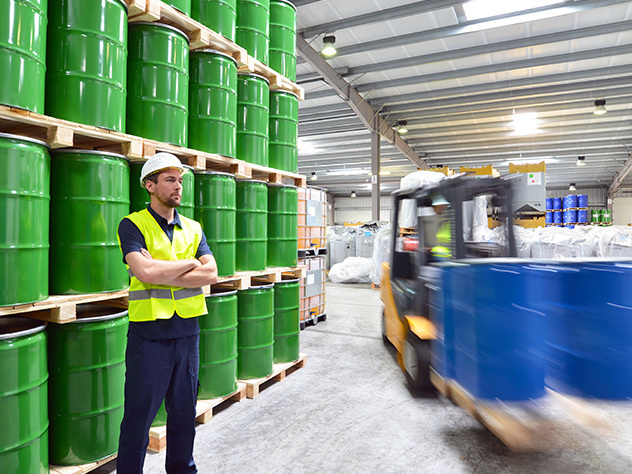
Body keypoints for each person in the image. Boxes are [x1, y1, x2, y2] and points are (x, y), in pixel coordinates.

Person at [116, 152, 218, 474]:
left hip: (188, 335)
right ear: (150, 185)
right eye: (170, 180)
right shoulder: (132, 224)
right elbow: (144, 271)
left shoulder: (193, 228)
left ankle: (182, 469)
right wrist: (190, 263)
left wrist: (167, 269)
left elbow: (212, 273)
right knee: (138, 417)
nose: (178, 187)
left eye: (180, 180)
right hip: (150, 337)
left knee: (184, 414)